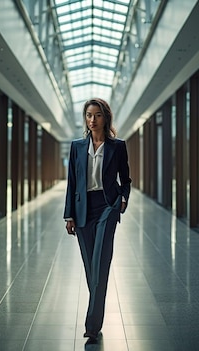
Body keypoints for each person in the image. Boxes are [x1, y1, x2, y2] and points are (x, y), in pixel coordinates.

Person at [63, 97, 132, 341]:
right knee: (91, 267)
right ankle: (97, 312)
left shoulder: (118, 146)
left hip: (107, 207)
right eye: (89, 115)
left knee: (101, 262)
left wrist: (121, 201)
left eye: (98, 115)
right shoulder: (77, 147)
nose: (93, 120)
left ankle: (92, 325)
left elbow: (126, 179)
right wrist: (68, 214)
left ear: (106, 118)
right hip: (83, 210)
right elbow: (72, 181)